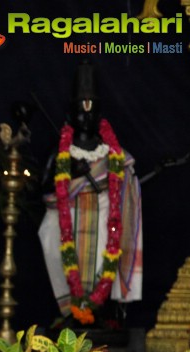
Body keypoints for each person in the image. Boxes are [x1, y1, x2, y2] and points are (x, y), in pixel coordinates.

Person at [38, 61, 143, 326]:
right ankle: (72, 309)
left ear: (100, 115)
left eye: (92, 111)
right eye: (81, 111)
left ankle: (100, 311)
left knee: (109, 243)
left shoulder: (111, 152)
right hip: (68, 215)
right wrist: (72, 171)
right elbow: (43, 188)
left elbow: (126, 182)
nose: (87, 117)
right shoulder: (63, 152)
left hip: (105, 213)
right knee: (50, 233)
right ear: (71, 115)